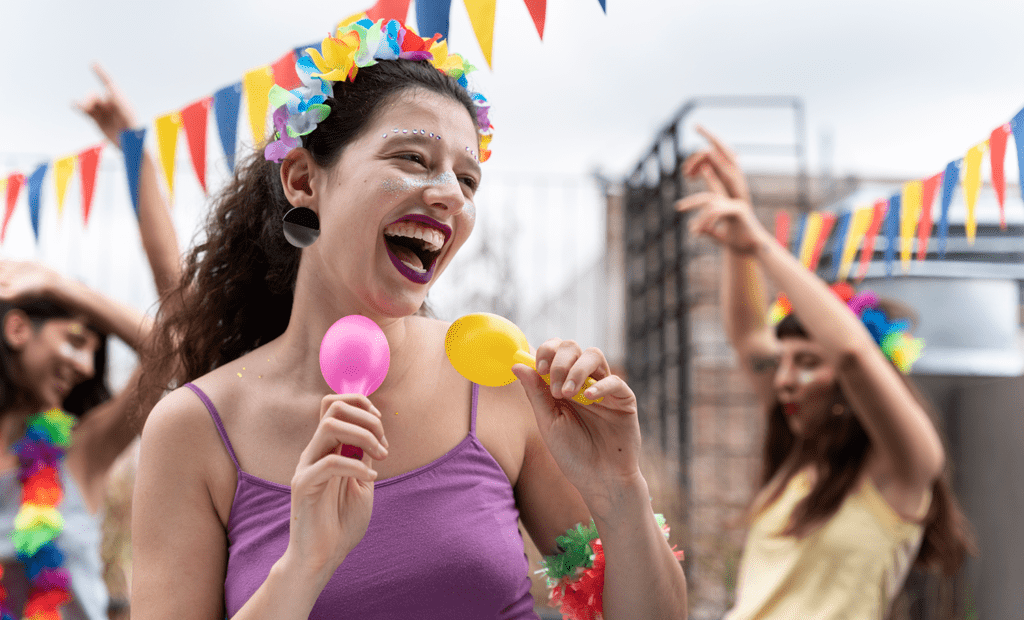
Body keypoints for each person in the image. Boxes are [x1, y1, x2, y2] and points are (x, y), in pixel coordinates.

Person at [131, 18, 687, 620]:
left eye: (468, 179)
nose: (451, 194)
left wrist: (620, 490)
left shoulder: (504, 381)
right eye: (413, 158)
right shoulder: (192, 430)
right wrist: (304, 565)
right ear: (301, 179)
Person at [676, 127, 974, 619]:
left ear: (854, 384)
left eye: (808, 361)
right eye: (784, 360)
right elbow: (750, 336)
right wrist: (738, 227)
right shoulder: (797, 459)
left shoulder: (903, 468)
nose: (784, 377)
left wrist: (763, 244)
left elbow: (855, 355)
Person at [0, 64, 180, 620]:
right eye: (75, 340)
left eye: (93, 353)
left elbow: (171, 340)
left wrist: (62, 287)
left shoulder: (84, 450)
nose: (84, 365)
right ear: (16, 328)